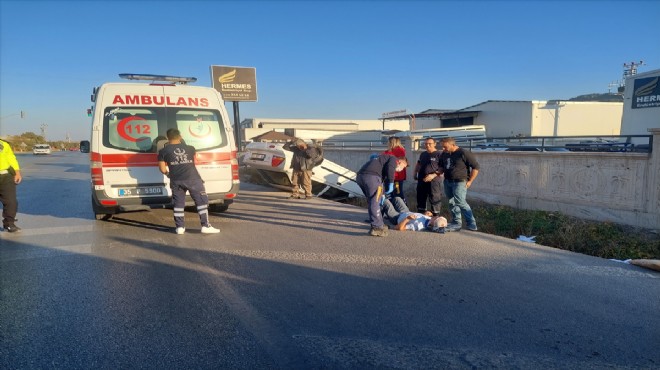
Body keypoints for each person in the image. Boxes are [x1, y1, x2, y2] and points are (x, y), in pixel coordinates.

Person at [158, 128, 220, 235]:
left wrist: (169, 174)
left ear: (168, 138)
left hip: (176, 180)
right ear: (180, 136)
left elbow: (162, 169)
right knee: (201, 201)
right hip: (193, 179)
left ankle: (180, 228)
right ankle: (205, 226)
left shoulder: (163, 151)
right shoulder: (190, 148)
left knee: (178, 204)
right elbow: (193, 161)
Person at [356, 154, 407, 237]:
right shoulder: (393, 159)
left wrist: (382, 194)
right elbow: (390, 169)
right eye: (403, 167)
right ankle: (377, 227)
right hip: (371, 178)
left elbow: (381, 181)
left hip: (361, 177)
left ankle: (379, 223)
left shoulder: (382, 162)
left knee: (372, 201)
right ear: (400, 162)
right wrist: (391, 182)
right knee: (375, 202)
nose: (400, 170)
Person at [438, 137, 480, 232]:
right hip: (447, 181)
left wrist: (470, 181)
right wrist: (435, 173)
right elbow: (441, 167)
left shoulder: (463, 153)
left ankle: (471, 223)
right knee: (451, 202)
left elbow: (476, 167)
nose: (443, 149)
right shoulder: (444, 154)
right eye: (442, 147)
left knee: (460, 202)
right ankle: (456, 222)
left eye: (445, 147)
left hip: (460, 182)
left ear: (453, 144)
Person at [381, 196, 447, 232]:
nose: (436, 216)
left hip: (397, 218)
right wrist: (425, 214)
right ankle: (385, 212)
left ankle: (378, 216)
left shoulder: (419, 226)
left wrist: (407, 219)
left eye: (437, 217)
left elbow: (399, 228)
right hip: (406, 211)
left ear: (433, 222)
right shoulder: (430, 219)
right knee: (397, 198)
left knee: (385, 201)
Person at [413, 137, 443, 216]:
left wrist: (433, 175)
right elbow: (418, 163)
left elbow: (442, 168)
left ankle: (435, 216)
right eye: (426, 144)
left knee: (434, 198)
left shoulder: (439, 154)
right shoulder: (423, 154)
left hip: (434, 181)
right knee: (421, 197)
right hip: (422, 179)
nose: (428, 145)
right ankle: (421, 215)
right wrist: (415, 172)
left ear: (435, 144)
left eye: (430, 144)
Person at [0, 139, 22, 233]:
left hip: (6, 176)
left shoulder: (3, 144)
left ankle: (9, 223)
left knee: (11, 202)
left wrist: (17, 172)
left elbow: (11, 158)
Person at [383, 136, 407, 202]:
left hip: (396, 176)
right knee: (392, 194)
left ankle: (403, 208)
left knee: (398, 193)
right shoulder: (393, 151)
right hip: (392, 175)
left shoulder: (399, 150)